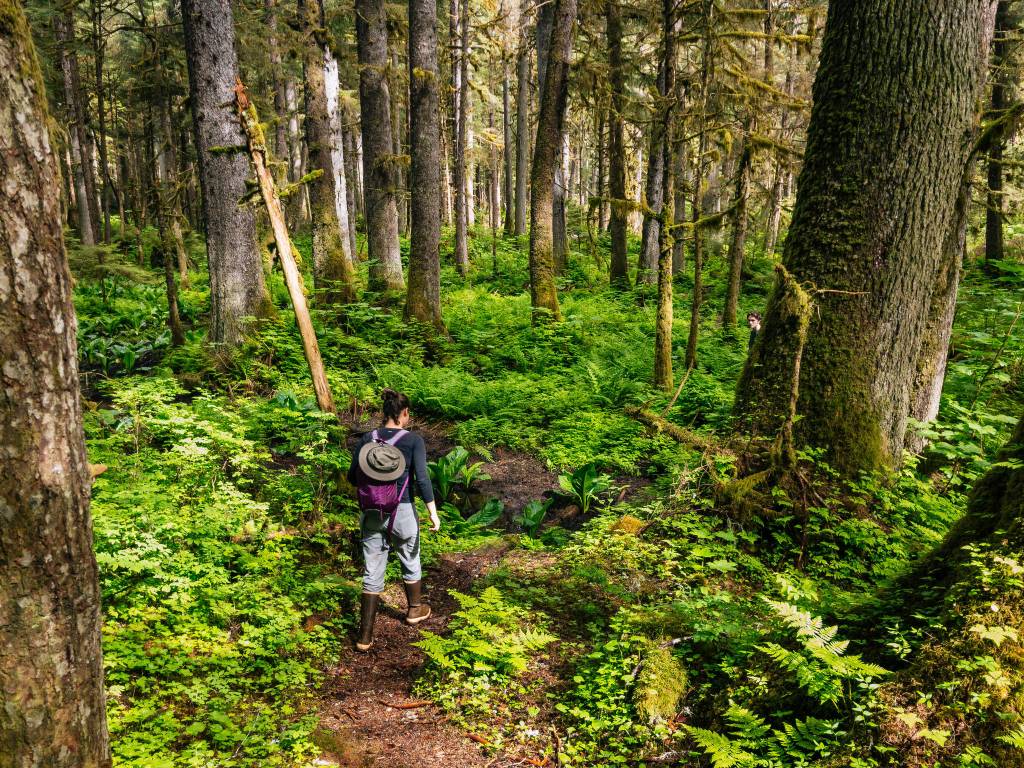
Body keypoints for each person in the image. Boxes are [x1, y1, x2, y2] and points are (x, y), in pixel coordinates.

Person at [347, 389, 441, 652]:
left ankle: (364, 636)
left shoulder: (368, 438)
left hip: (371, 512)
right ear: (404, 413)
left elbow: (353, 476)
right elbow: (422, 479)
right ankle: (414, 610)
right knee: (410, 557)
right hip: (403, 509)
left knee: (372, 569)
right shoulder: (413, 441)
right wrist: (433, 512)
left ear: (384, 412)